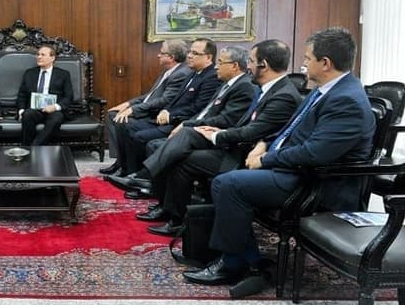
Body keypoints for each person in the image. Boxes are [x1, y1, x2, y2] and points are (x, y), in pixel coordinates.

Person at [183, 28, 375, 286]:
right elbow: (291, 130)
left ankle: (232, 264)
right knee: (229, 177)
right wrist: (265, 143)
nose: (303, 64)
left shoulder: (346, 101)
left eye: (307, 58)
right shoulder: (326, 90)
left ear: (325, 63)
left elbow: (314, 153)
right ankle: (249, 259)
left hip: (317, 183)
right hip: (295, 169)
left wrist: (265, 160)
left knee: (228, 184)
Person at [128, 40, 301, 235]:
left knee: (185, 144)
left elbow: (253, 132)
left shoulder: (282, 95)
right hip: (236, 145)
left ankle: (152, 185)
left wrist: (216, 134)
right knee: (181, 151)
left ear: (264, 65)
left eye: (251, 61)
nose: (248, 66)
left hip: (245, 156)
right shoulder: (266, 88)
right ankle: (173, 213)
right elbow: (243, 124)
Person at [111, 37, 221, 177]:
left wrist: (171, 115)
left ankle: (141, 176)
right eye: (190, 52)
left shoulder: (211, 78)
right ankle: (129, 171)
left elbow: (198, 107)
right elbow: (174, 98)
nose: (189, 55)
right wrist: (165, 110)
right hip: (168, 118)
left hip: (181, 123)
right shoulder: (193, 73)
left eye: (195, 53)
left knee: (140, 136)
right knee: (124, 124)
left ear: (208, 57)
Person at [100, 39, 191, 175]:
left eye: (162, 53)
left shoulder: (180, 74)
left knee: (122, 122)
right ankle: (120, 161)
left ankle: (127, 169)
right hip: (148, 109)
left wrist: (133, 110)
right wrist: (128, 104)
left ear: (171, 57)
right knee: (113, 114)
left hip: (156, 115)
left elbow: (163, 101)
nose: (158, 55)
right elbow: (150, 95)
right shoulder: (168, 71)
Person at [16, 44, 74, 146]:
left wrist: (55, 107)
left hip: (54, 110)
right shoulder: (29, 73)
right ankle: (28, 145)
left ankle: (33, 148)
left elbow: (69, 97)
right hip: (35, 109)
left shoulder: (63, 74)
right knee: (27, 114)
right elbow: (22, 95)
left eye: (43, 54)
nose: (39, 57)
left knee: (56, 118)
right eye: (38, 54)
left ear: (52, 58)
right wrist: (21, 111)